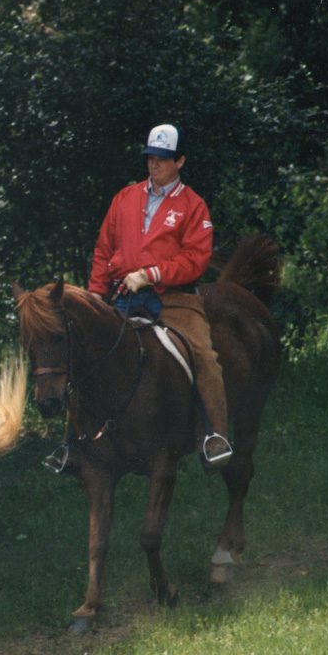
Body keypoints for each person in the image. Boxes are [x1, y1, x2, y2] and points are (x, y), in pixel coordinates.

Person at [87, 123, 233, 469]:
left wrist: (151, 274)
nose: (154, 165)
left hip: (173, 298)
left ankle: (216, 435)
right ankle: (73, 444)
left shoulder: (193, 206)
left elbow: (196, 259)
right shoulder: (125, 198)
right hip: (122, 294)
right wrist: (95, 296)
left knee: (204, 355)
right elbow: (103, 250)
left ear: (179, 161)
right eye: (151, 157)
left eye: (163, 159)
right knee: (86, 347)